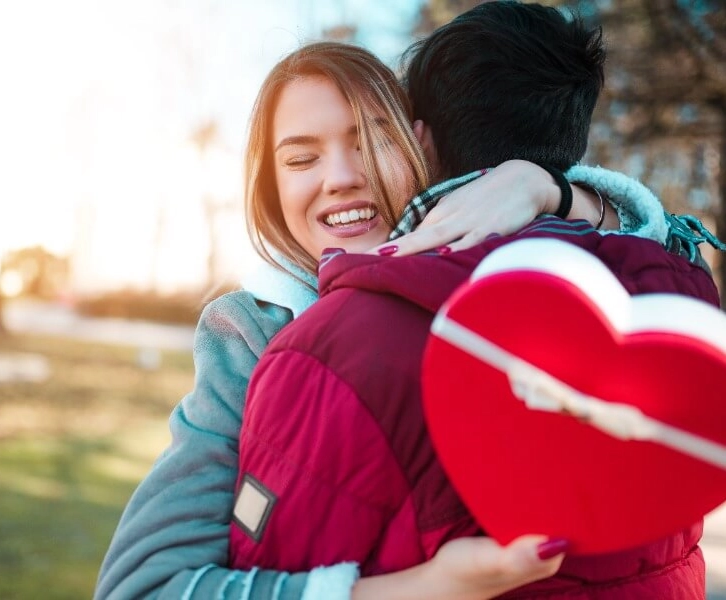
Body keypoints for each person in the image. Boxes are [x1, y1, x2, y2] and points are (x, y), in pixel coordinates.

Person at [95, 35, 700, 600]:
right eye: (301, 159)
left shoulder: (488, 272)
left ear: (421, 148)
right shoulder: (252, 330)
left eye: (372, 140)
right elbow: (145, 587)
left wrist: (554, 190)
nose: (341, 177)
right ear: (269, 189)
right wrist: (422, 590)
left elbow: (659, 265)